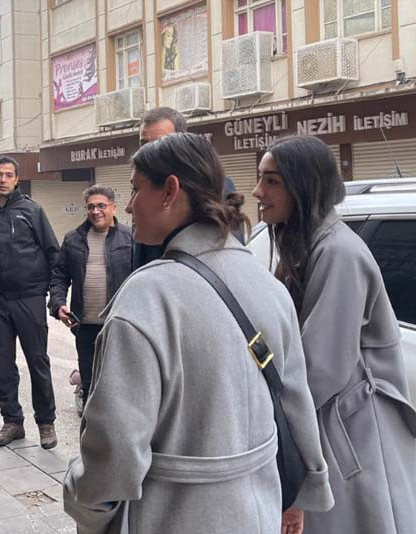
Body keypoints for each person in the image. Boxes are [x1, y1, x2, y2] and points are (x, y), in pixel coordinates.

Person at [64, 133, 334, 533]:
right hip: (259, 510)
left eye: (137, 189)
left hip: (174, 515)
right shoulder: (268, 285)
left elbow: (114, 455)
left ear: (170, 190)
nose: (132, 204)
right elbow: (297, 402)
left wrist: (82, 503)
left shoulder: (146, 299)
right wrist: (302, 494)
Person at [253, 135, 416, 534]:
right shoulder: (305, 245)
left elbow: (321, 368)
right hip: (330, 424)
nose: (257, 191)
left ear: (303, 186)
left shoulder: (339, 253)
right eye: (260, 179)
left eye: (272, 181)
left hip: (351, 429)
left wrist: (266, 424)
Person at [0, 155, 60, 449]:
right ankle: (12, 421)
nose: (3, 180)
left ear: (16, 179)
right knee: (2, 363)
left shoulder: (32, 211)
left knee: (38, 361)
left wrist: (49, 293)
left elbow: (52, 252)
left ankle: (46, 423)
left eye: (9, 175)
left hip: (29, 297)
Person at [49, 185, 133, 412]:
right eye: (91, 207)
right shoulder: (73, 239)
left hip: (119, 326)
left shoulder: (130, 239)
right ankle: (90, 433)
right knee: (90, 383)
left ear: (113, 208)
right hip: (84, 327)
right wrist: (58, 305)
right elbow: (59, 276)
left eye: (101, 206)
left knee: (120, 384)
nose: (96, 211)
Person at [133, 107, 186, 268]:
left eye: (159, 143)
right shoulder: (144, 186)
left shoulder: (210, 190)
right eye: (144, 144)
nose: (149, 151)